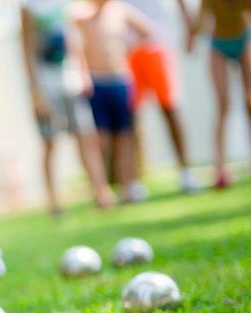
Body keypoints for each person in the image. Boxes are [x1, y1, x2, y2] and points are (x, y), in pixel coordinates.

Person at [19, 0, 115, 216]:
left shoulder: (67, 4)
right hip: (46, 85)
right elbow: (26, 50)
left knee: (87, 136)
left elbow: (74, 39)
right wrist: (36, 93)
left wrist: (83, 71)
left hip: (71, 82)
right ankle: (53, 200)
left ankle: (101, 192)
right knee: (50, 142)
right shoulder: (29, 7)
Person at [70, 0, 152, 203]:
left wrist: (127, 49)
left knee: (125, 136)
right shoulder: (80, 13)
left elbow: (147, 30)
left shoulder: (120, 10)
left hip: (121, 80)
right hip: (96, 82)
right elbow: (73, 42)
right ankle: (102, 190)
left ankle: (127, 187)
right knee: (101, 139)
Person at [125, 0, 199, 194]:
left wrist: (190, 28)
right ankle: (135, 182)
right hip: (127, 48)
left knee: (170, 107)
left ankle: (186, 173)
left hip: (158, 43)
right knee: (131, 115)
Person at [188, 0, 251, 189]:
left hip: (244, 39)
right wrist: (190, 34)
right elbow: (200, 23)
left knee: (250, 102)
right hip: (219, 44)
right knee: (223, 106)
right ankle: (220, 168)